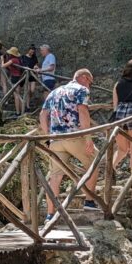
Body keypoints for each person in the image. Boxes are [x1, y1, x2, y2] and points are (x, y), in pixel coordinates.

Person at [39, 68, 100, 221]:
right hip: (74, 136)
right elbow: (83, 112)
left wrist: (48, 136)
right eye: (90, 83)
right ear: (84, 78)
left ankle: (50, 214)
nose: (89, 87)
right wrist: (88, 138)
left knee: (55, 176)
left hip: (55, 140)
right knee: (95, 161)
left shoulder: (54, 92)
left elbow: (42, 114)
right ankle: (89, 201)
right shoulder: (81, 90)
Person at [1, 47, 25, 114]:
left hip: (15, 78)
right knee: (18, 95)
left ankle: (18, 112)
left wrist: (2, 60)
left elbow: (3, 66)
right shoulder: (18, 59)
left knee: (16, 96)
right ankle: (21, 111)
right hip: (19, 77)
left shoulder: (13, 60)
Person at [20, 44, 39, 108]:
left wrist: (36, 67)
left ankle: (28, 100)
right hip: (26, 75)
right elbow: (22, 66)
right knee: (28, 90)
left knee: (32, 90)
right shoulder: (23, 57)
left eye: (33, 52)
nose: (32, 53)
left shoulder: (34, 58)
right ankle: (27, 105)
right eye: (31, 51)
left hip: (32, 75)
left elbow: (36, 65)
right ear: (28, 50)